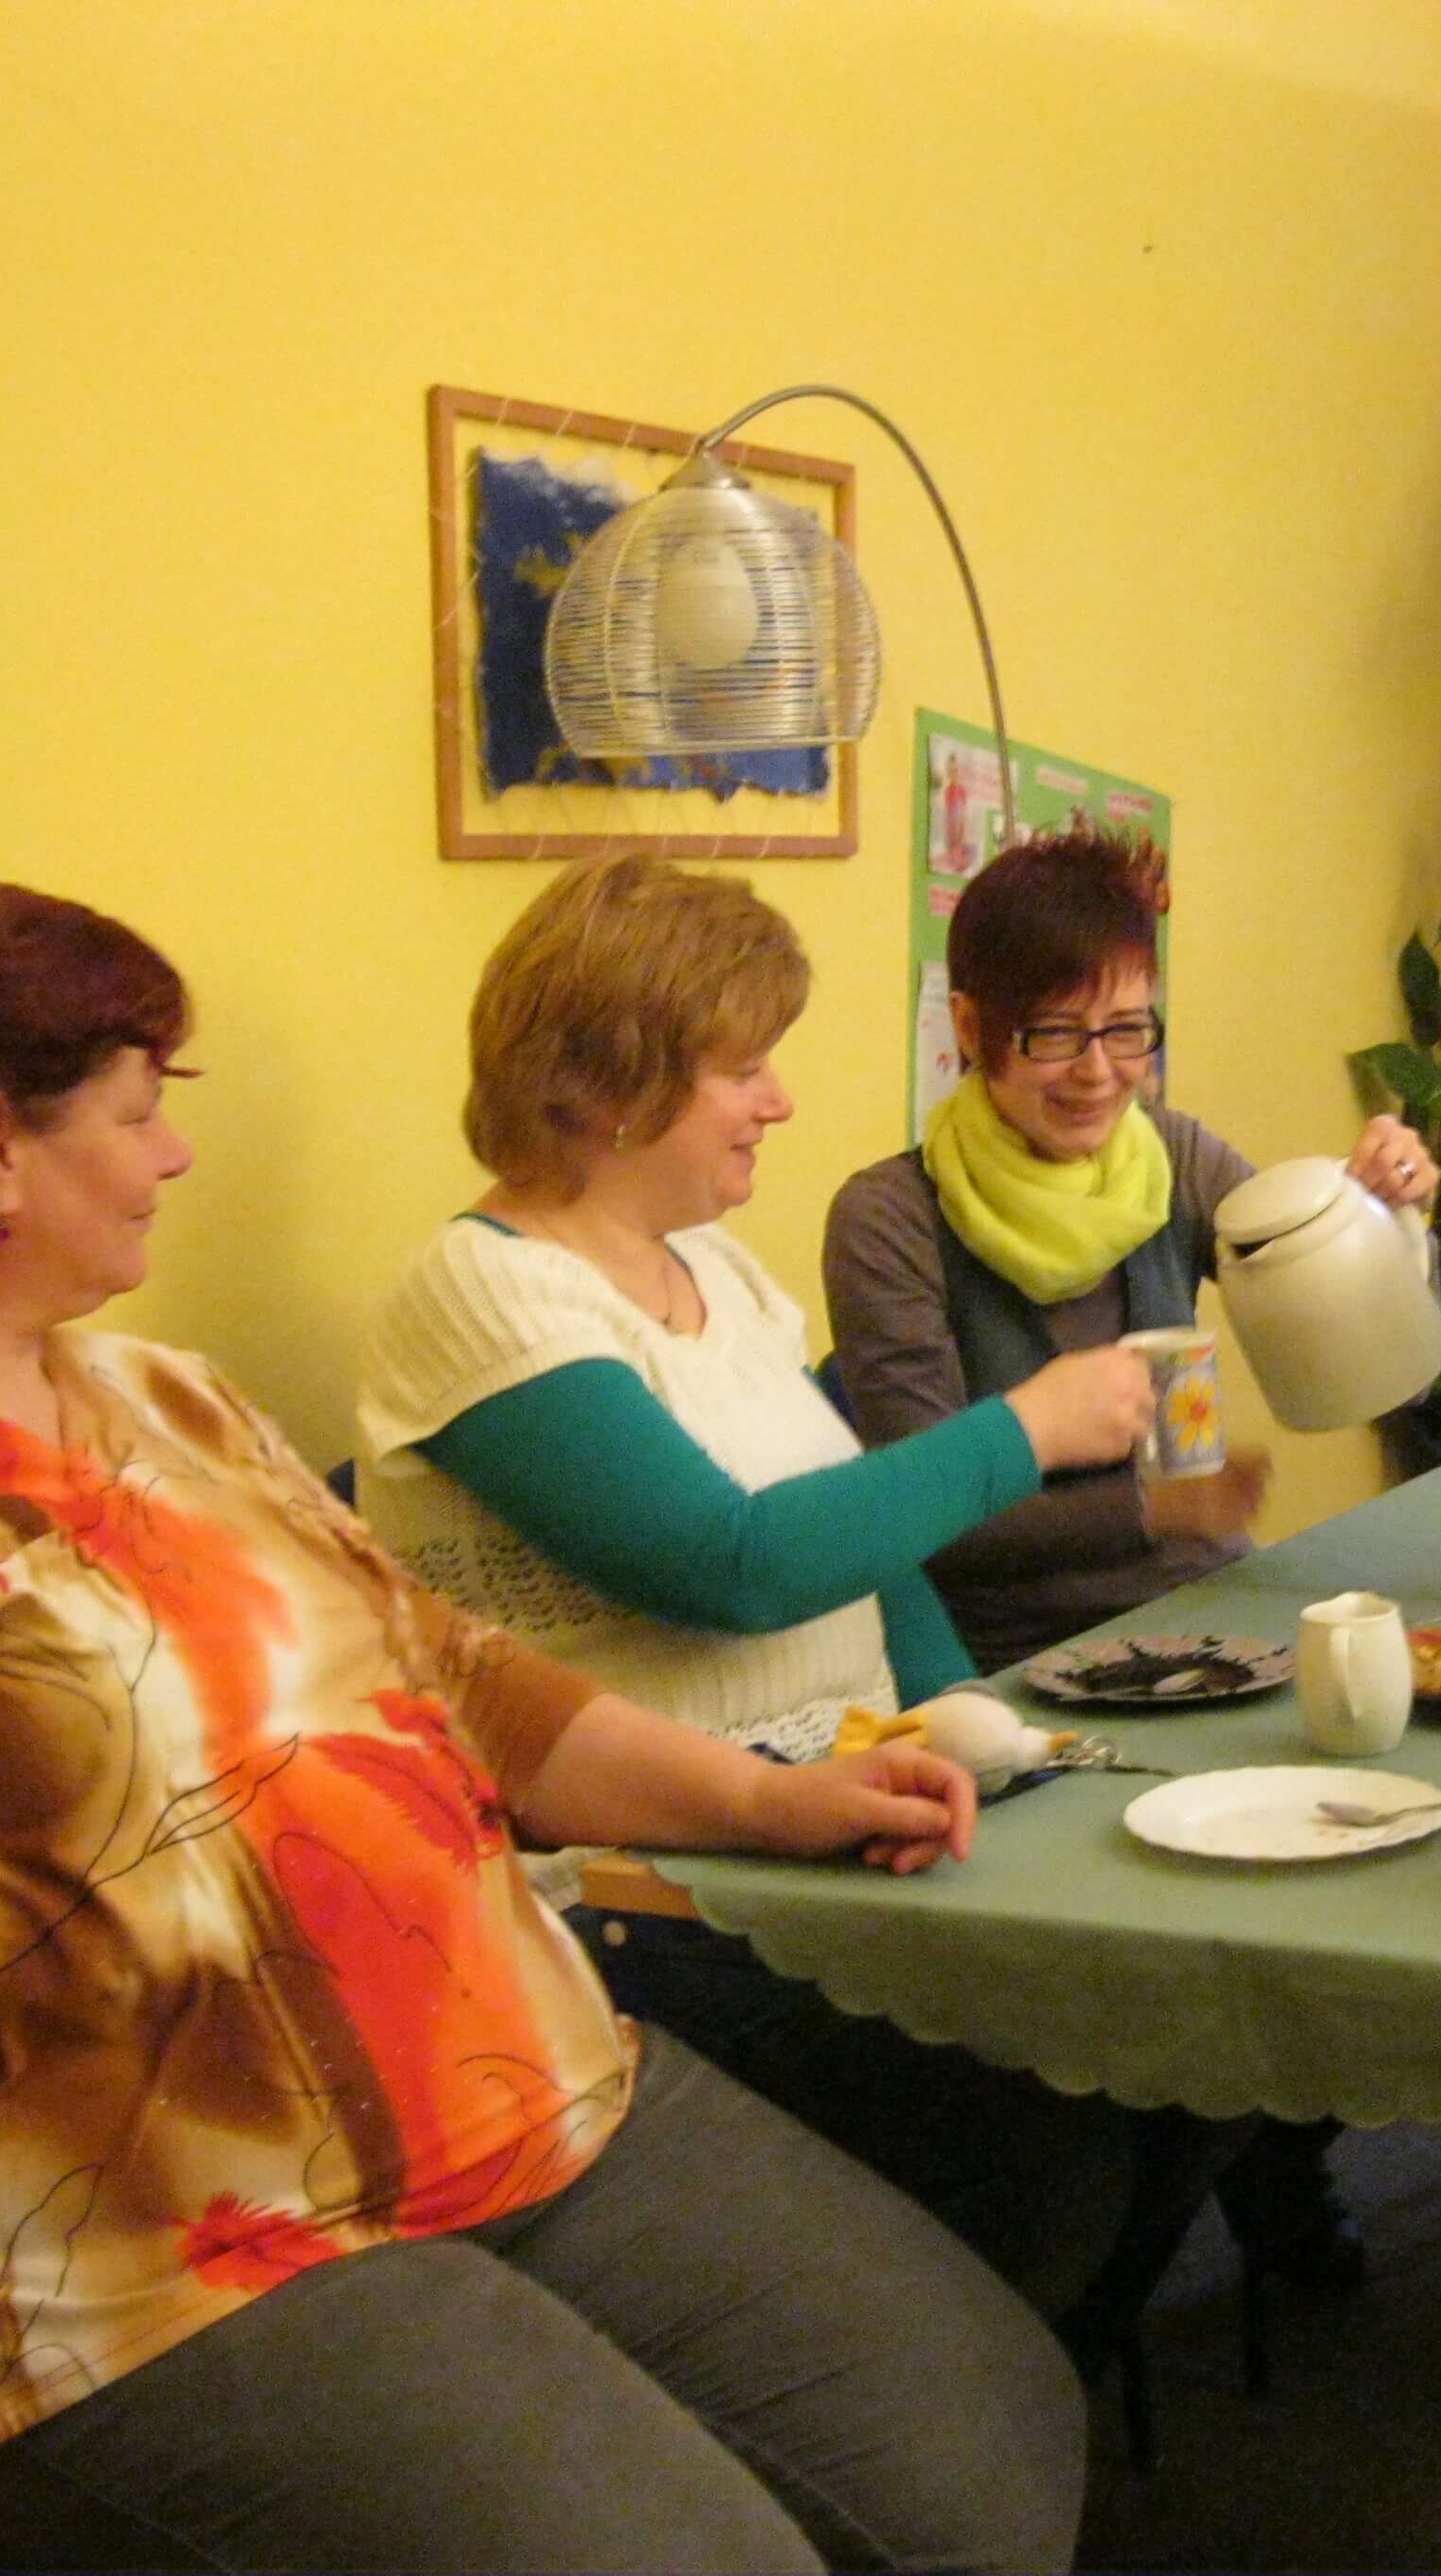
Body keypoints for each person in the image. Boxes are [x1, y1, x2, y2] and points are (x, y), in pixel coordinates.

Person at [0, 881, 1079, 2575]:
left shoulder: (167, 1398)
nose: (174, 1156)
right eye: (140, 1112)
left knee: (991, 2443)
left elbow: (455, 1676)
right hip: (163, 2246)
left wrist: (767, 1799)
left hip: (511, 2094)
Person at [354, 854, 1201, 2339]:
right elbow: (731, 1566)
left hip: (840, 1802)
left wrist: (972, 1728)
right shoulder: (483, 1295)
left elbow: (862, 1552)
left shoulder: (720, 1275)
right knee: (1055, 2106)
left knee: (1183, 2006)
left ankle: (1015, 2356)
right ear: (609, 1084)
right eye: (742, 1066)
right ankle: (970, 2373)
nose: (780, 1100)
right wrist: (1022, 1431)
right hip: (655, 1878)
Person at [823, 819, 1440, 2291]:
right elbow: (924, 1519)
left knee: (1377, 1840)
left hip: (1204, 1627)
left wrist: (1387, 1214)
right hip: (1004, 1666)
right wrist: (1158, 1512)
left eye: (1129, 1030)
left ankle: (1260, 2146)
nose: (1098, 1073)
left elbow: (1355, 1334)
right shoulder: (890, 1218)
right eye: (1054, 1034)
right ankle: (1136, 2240)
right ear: (968, 1024)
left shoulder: (1172, 1160)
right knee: (1193, 1938)